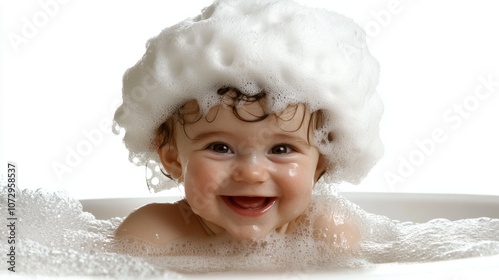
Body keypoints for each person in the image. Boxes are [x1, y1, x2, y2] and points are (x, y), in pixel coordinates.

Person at [113, 0, 383, 248]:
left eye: (281, 150)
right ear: (172, 158)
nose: (251, 173)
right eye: (220, 147)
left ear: (320, 163)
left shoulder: (327, 235)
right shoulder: (153, 235)